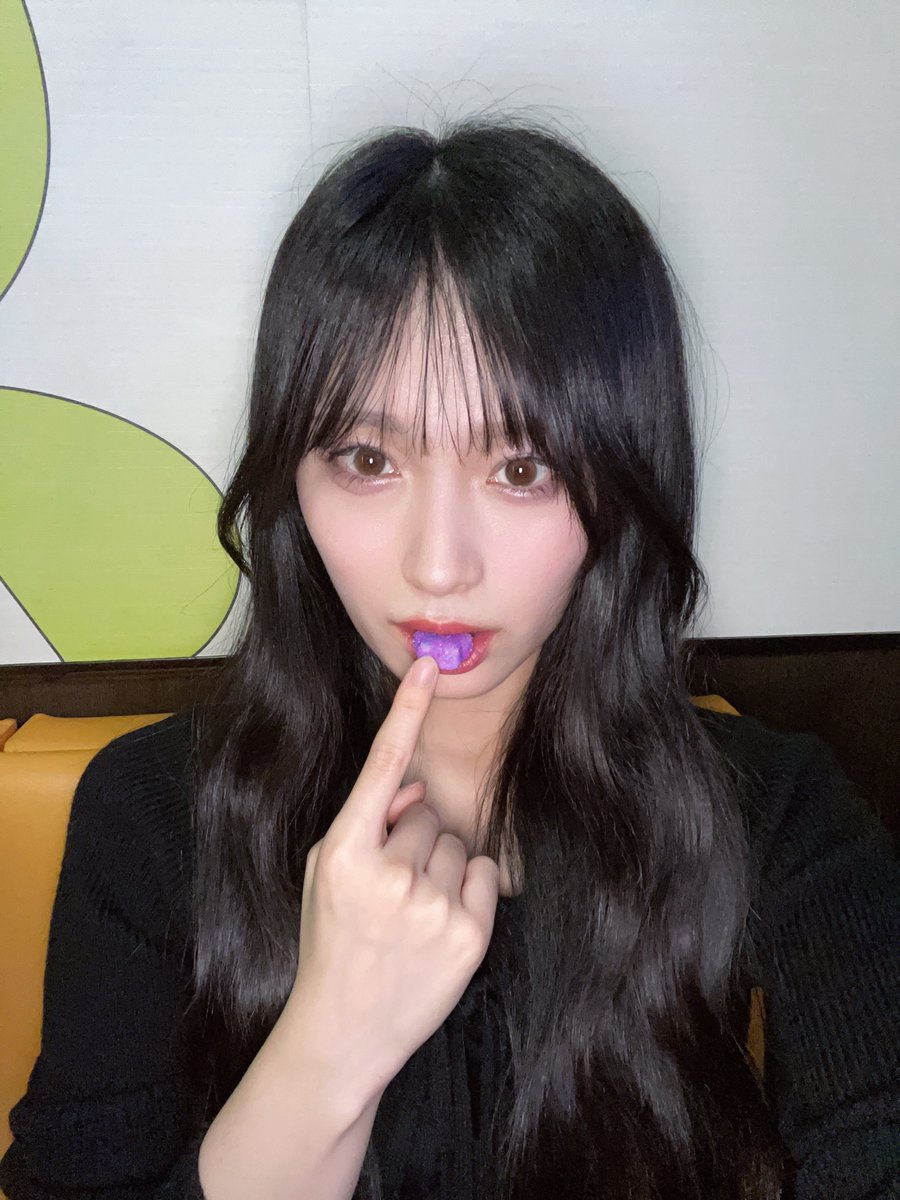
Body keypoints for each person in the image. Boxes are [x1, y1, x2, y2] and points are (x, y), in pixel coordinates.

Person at [2, 113, 897, 1200]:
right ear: (292, 478)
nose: (437, 567)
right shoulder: (152, 821)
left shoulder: (782, 822)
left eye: (522, 469)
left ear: (624, 478)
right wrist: (330, 1043)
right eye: (366, 458)